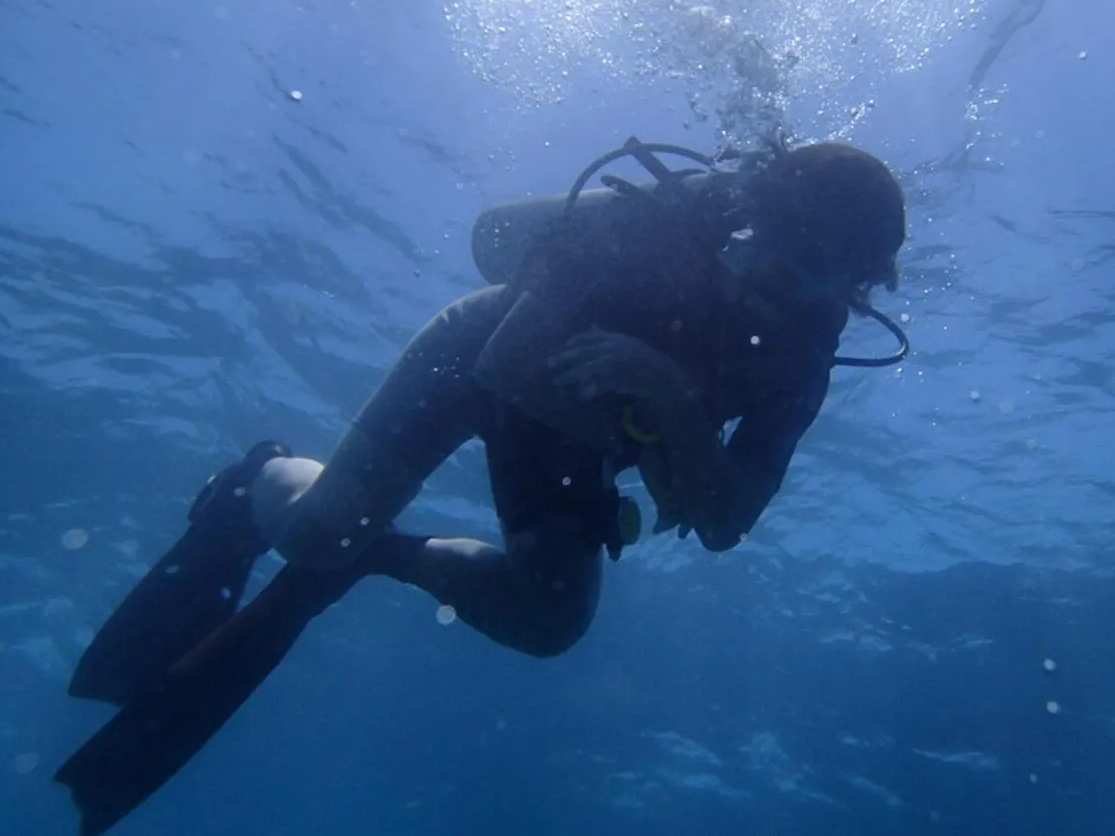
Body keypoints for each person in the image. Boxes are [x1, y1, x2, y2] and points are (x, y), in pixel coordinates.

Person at [55, 137, 909, 835]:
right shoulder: (656, 225)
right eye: (773, 255)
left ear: (856, 289)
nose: (775, 291)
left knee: (548, 622)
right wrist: (664, 447)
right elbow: (508, 363)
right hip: (479, 359)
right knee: (318, 533)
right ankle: (255, 480)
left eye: (814, 280)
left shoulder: (804, 356)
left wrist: (670, 403)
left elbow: (727, 523)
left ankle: (377, 556)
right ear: (748, 216)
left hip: (595, 426)